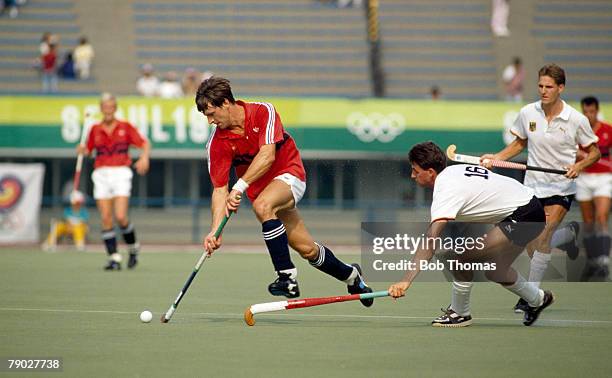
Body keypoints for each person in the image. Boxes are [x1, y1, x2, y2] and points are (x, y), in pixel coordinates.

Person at [198, 76, 374, 305]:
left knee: (262, 205)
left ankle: (286, 277)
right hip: (263, 192)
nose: (210, 121)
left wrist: (239, 187)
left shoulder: (263, 112)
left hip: (290, 175)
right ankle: (352, 276)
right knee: (308, 250)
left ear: (225, 103)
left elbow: (267, 155)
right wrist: (214, 231)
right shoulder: (217, 143)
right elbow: (220, 190)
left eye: (212, 114)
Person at [388, 141, 553, 327]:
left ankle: (460, 313)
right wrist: (536, 211)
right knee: (497, 271)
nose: (412, 176)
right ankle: (538, 299)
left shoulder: (446, 189)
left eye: (415, 171)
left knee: (460, 259)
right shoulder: (455, 171)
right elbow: (487, 196)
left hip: (524, 215)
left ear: (431, 172)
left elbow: (430, 241)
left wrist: (405, 281)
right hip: (528, 207)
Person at [481, 63, 600, 311]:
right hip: (533, 187)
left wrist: (579, 166)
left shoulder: (576, 119)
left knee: (543, 236)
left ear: (561, 88)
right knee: (532, 242)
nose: (543, 91)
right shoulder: (528, 113)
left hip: (561, 187)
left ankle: (531, 297)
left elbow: (595, 152)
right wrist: (497, 158)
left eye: (549, 87)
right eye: (540, 86)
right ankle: (566, 237)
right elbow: (519, 143)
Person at [77, 93, 150, 270]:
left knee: (121, 217)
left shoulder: (125, 126)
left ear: (115, 108)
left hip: (121, 172)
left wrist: (144, 158)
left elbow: (144, 143)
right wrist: (82, 150)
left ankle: (133, 248)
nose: (108, 110)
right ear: (101, 109)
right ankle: (114, 258)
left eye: (111, 107)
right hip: (101, 173)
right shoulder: (94, 128)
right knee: (106, 218)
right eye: (105, 107)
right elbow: (88, 150)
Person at [577, 96, 612, 280]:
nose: (589, 115)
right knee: (589, 222)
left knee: (601, 218)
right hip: (583, 178)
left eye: (592, 112)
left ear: (597, 111)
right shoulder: (578, 130)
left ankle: (604, 262)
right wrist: (579, 155)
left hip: (604, 179)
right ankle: (592, 262)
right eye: (585, 112)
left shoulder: (608, 129)